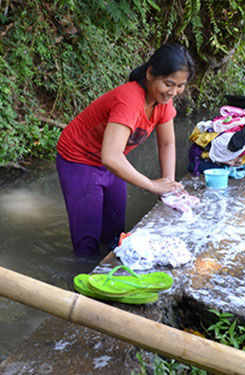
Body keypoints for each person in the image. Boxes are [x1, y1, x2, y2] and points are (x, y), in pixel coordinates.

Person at [56, 43, 195, 256]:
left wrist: (169, 186)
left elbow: (167, 143)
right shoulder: (129, 100)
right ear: (150, 74)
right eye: (169, 84)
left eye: (180, 86)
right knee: (87, 246)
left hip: (111, 162)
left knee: (116, 235)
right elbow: (111, 156)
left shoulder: (163, 102)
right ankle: (80, 286)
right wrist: (151, 185)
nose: (173, 92)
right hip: (79, 160)